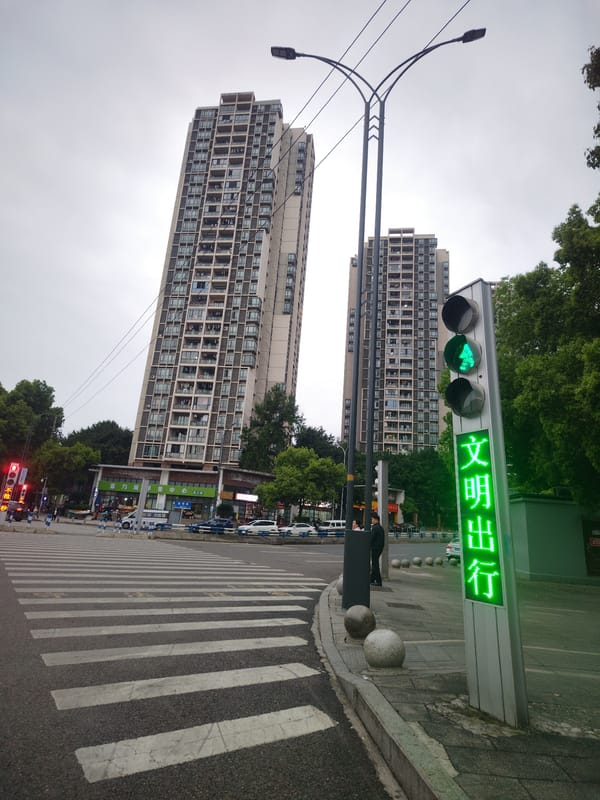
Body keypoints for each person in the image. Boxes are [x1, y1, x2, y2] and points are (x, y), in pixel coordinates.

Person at [370, 512, 385, 586]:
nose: (371, 520)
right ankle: (371, 579)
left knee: (375, 565)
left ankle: (379, 581)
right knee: (374, 564)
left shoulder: (375, 528)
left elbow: (371, 538)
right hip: (379, 548)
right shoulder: (380, 527)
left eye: (372, 519)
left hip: (375, 549)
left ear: (376, 519)